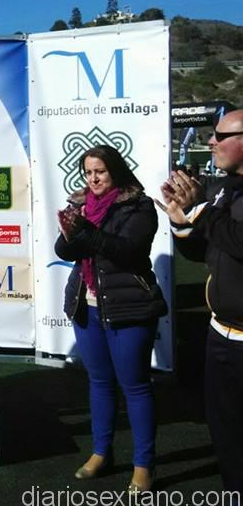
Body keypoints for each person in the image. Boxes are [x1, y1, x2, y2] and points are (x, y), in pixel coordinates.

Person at [55, 144, 164, 494]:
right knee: (99, 382)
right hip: (86, 306)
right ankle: (102, 452)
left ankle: (144, 465)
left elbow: (128, 251)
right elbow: (63, 250)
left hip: (129, 307)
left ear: (115, 170)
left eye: (100, 171)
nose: (93, 178)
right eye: (88, 172)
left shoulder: (139, 205)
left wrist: (85, 230)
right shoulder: (80, 204)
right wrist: (69, 234)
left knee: (135, 385)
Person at [160, 109, 243, 497]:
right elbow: (204, 251)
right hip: (219, 335)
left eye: (220, 135)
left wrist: (202, 212)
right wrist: (181, 221)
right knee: (226, 434)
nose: (211, 142)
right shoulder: (224, 188)